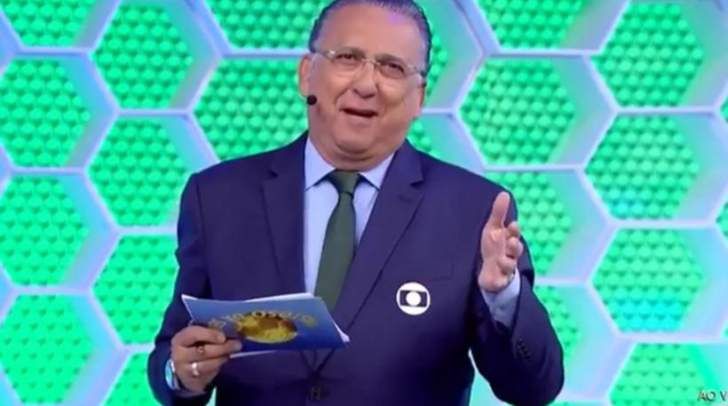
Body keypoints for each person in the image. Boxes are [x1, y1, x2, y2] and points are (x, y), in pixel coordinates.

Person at [148, 1, 564, 405]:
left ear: (419, 97)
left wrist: (502, 297)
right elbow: (173, 355)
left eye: (392, 67)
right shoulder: (218, 197)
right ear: (307, 75)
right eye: (347, 58)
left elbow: (535, 389)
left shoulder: (475, 212)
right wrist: (180, 374)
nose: (366, 85)